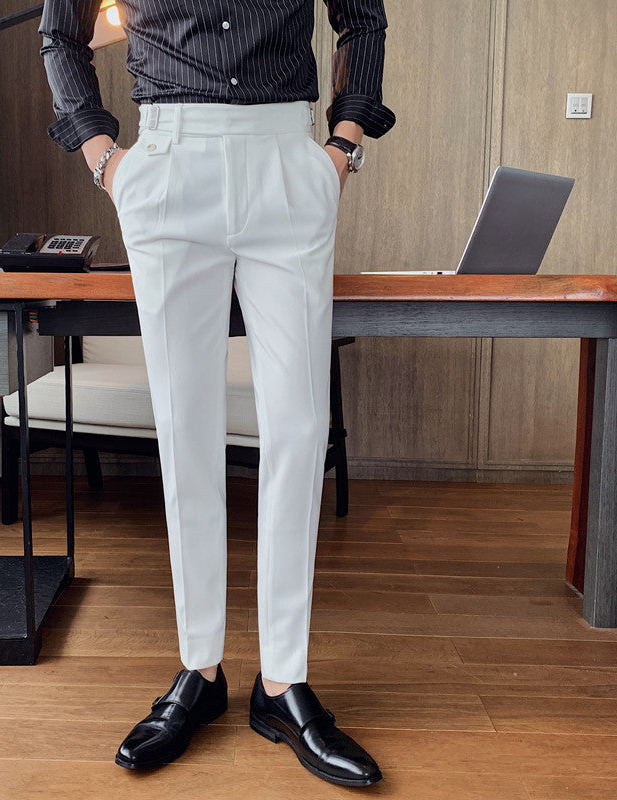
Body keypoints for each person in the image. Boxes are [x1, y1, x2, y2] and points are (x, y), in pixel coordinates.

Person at [38, 0, 395, 788]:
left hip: (286, 159)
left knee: (299, 426)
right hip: (169, 163)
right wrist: (106, 160)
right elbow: (59, 32)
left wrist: (340, 149)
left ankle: (284, 681)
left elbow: (362, 19)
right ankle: (199, 669)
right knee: (185, 427)